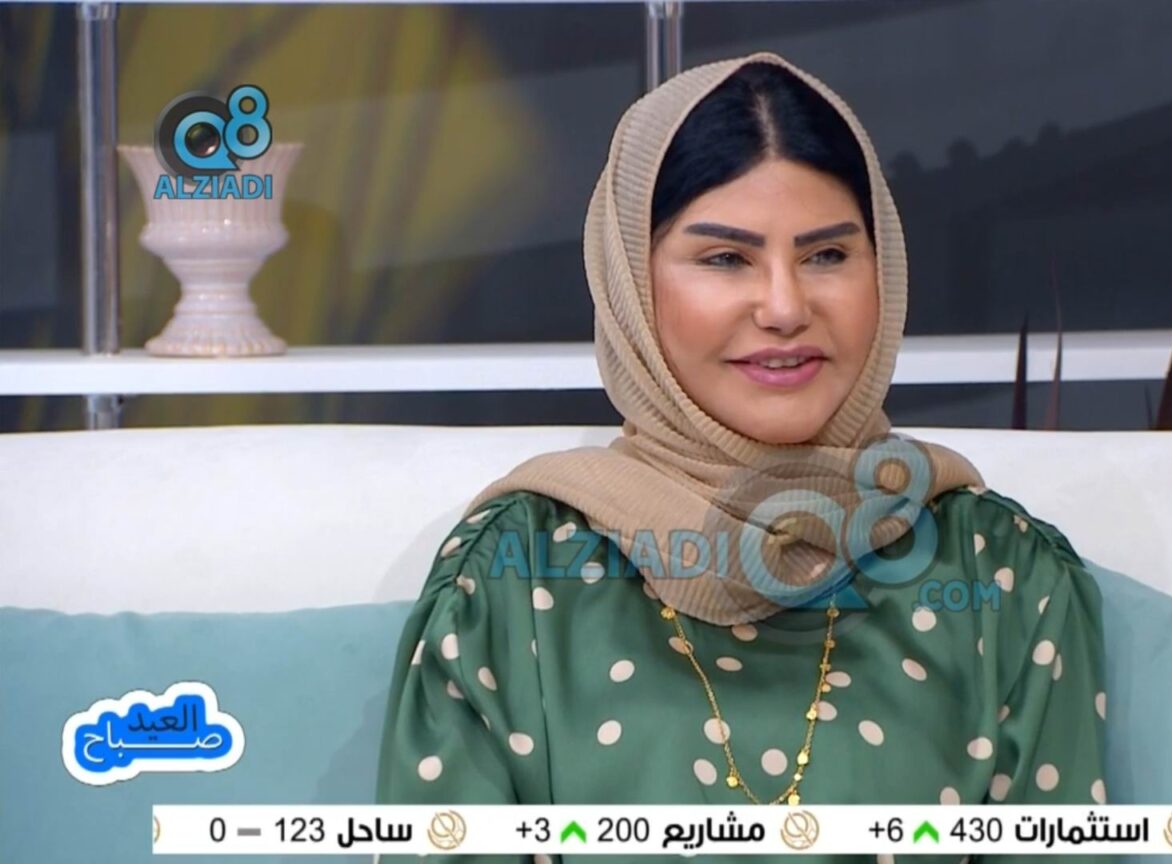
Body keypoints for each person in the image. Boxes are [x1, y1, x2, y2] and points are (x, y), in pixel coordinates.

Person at [376, 51, 1111, 864]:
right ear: (631, 284)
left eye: (827, 255)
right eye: (725, 258)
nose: (786, 307)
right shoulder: (511, 576)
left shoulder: (998, 573)